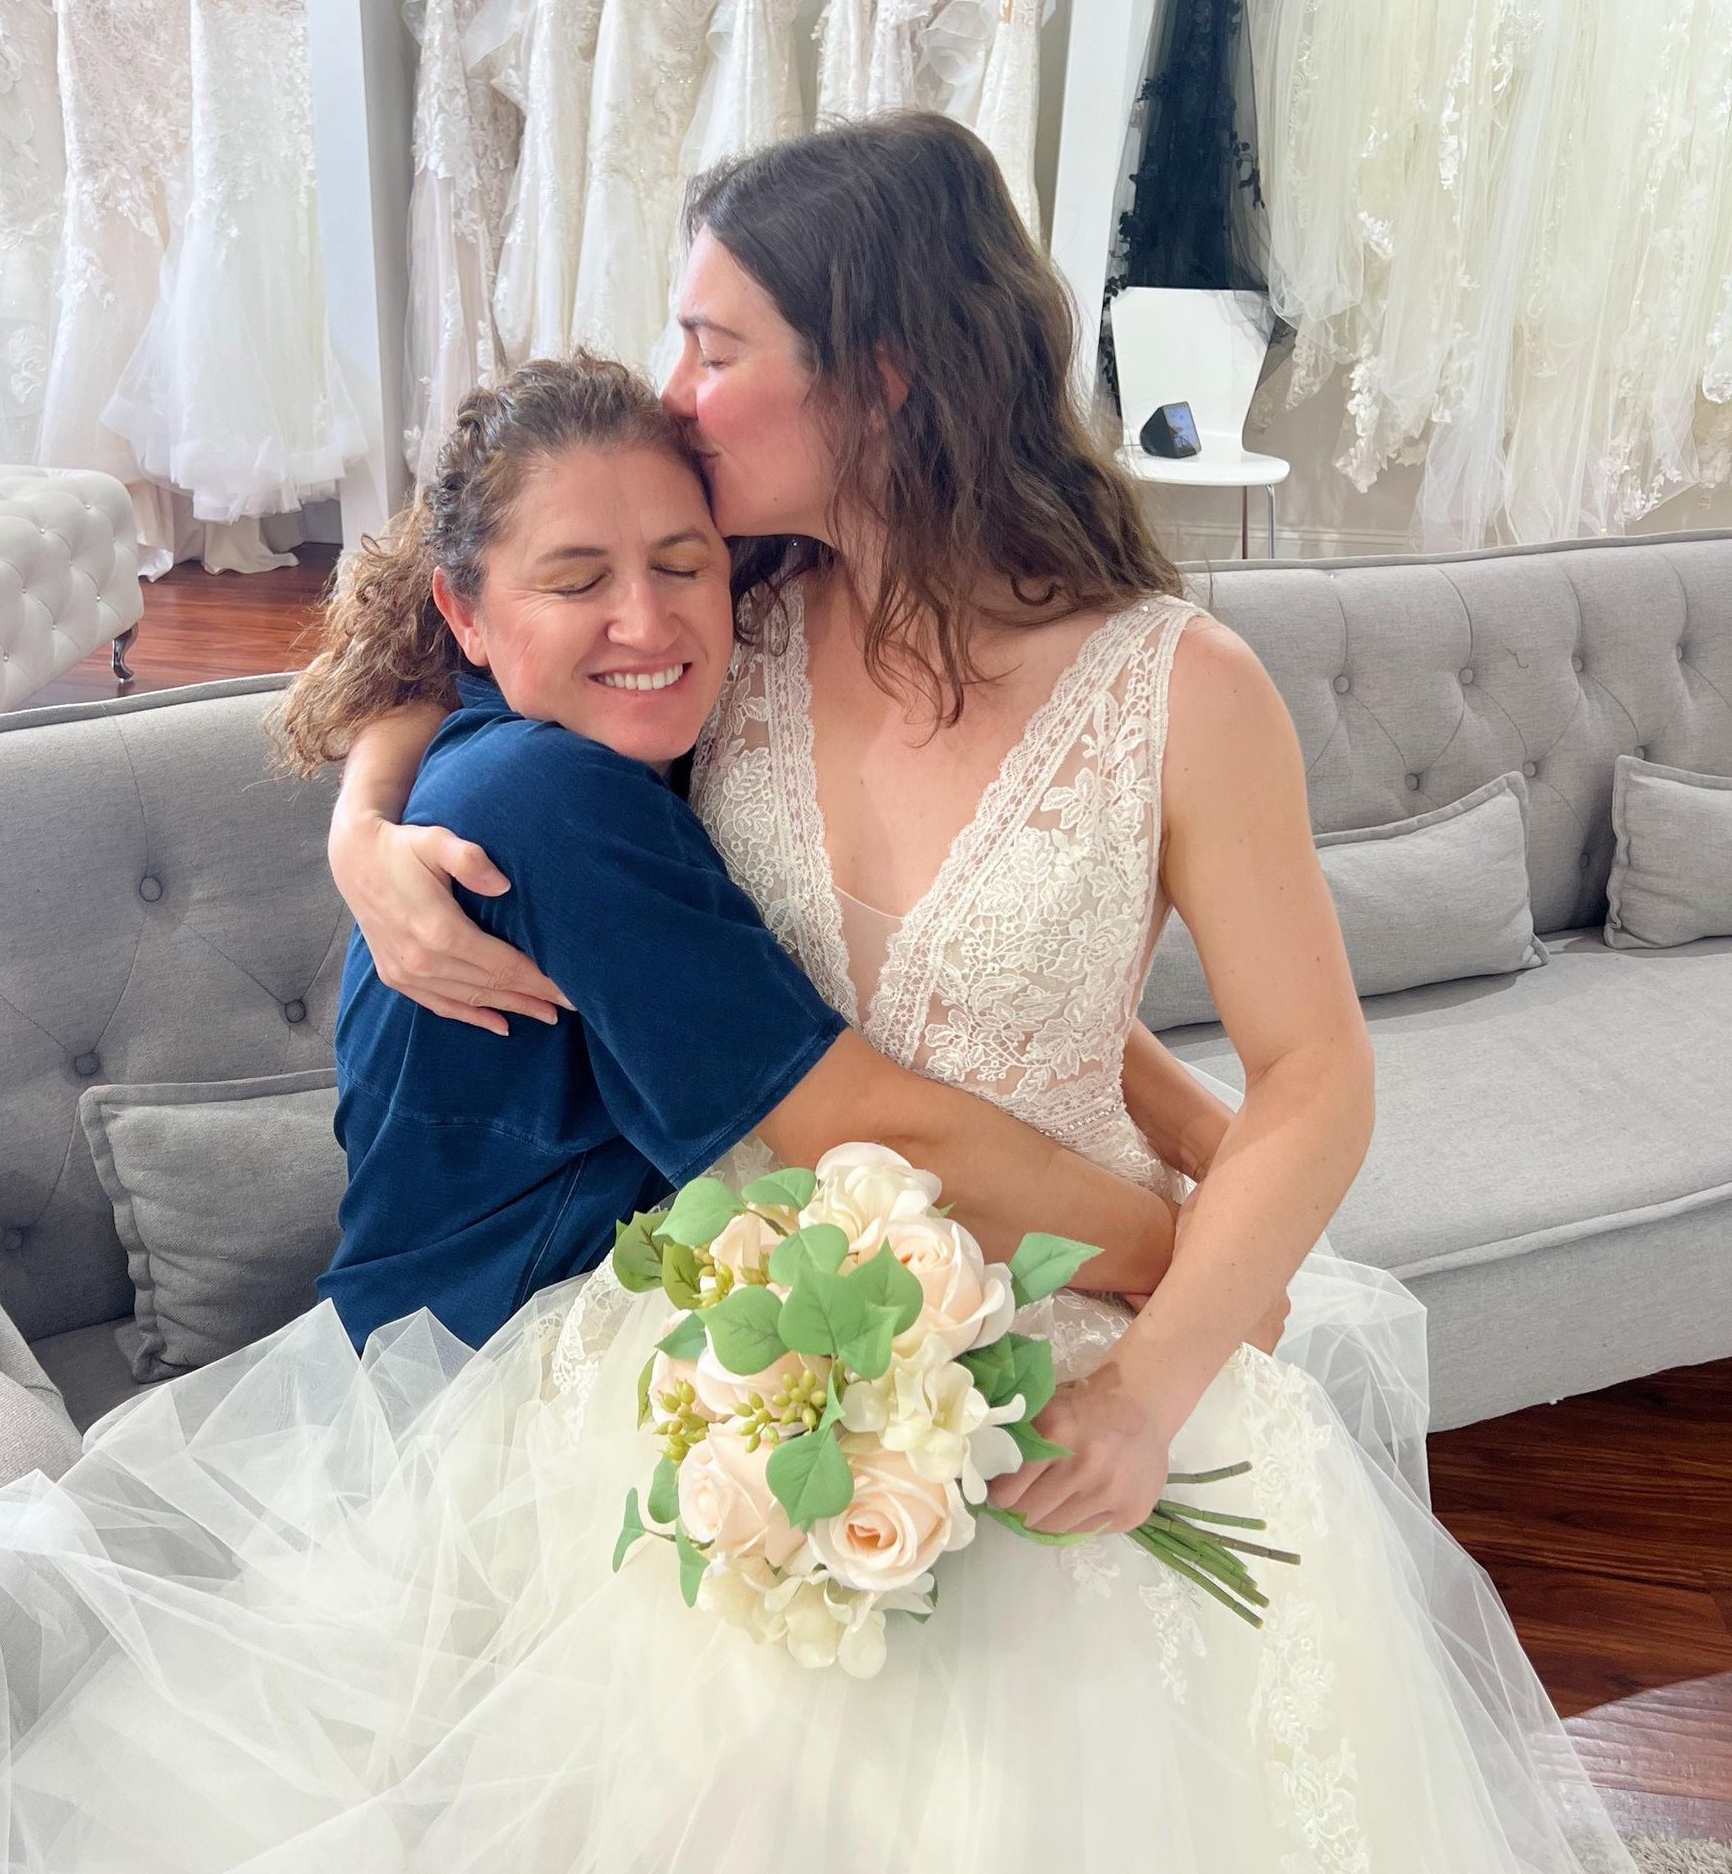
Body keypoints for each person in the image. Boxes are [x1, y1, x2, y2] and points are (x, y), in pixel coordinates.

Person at [317, 114, 1635, 1868]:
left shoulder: (1182, 688)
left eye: (714, 348)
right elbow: (466, 620)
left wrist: (1151, 1385)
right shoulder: (726, 619)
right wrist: (364, 822)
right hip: (758, 1341)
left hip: (1088, 1329)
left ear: (878, 377)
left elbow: (1316, 1072)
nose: (677, 394)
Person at [310, 354, 1232, 1358]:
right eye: (576, 581)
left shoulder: (685, 711)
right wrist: (1194, 1257)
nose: (645, 621)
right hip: (494, 1344)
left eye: (682, 566)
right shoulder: (548, 795)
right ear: (463, 614)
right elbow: (872, 1136)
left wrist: (1220, 1150)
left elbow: (938, 978)